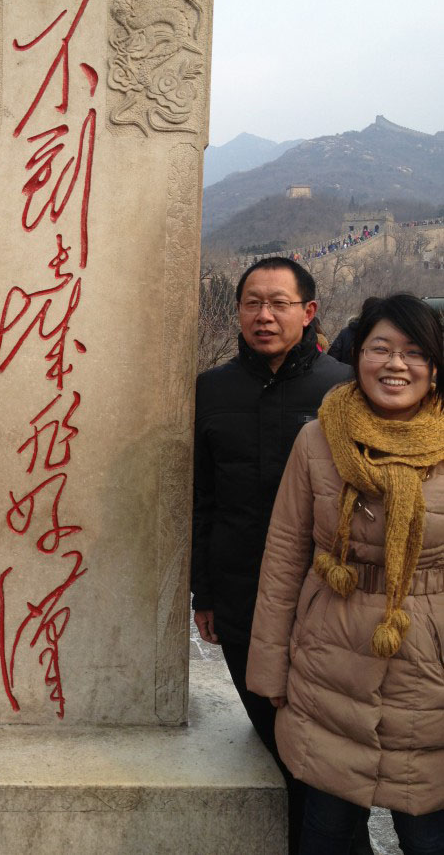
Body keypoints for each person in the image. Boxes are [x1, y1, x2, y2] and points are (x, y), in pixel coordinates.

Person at [247, 294, 444, 855]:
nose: (396, 364)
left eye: (414, 352)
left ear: (434, 367)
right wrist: (270, 671)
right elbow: (284, 556)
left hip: (429, 665)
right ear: (358, 357)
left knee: (428, 837)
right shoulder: (318, 439)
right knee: (326, 833)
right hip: (328, 658)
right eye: (380, 348)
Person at [191, 257, 356, 855]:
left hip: (327, 601)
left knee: (326, 751)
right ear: (237, 311)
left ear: (308, 312)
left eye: (279, 303)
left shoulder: (344, 389)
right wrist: (204, 592)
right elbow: (203, 498)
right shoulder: (212, 389)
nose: (264, 316)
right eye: (252, 303)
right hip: (240, 596)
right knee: (275, 739)